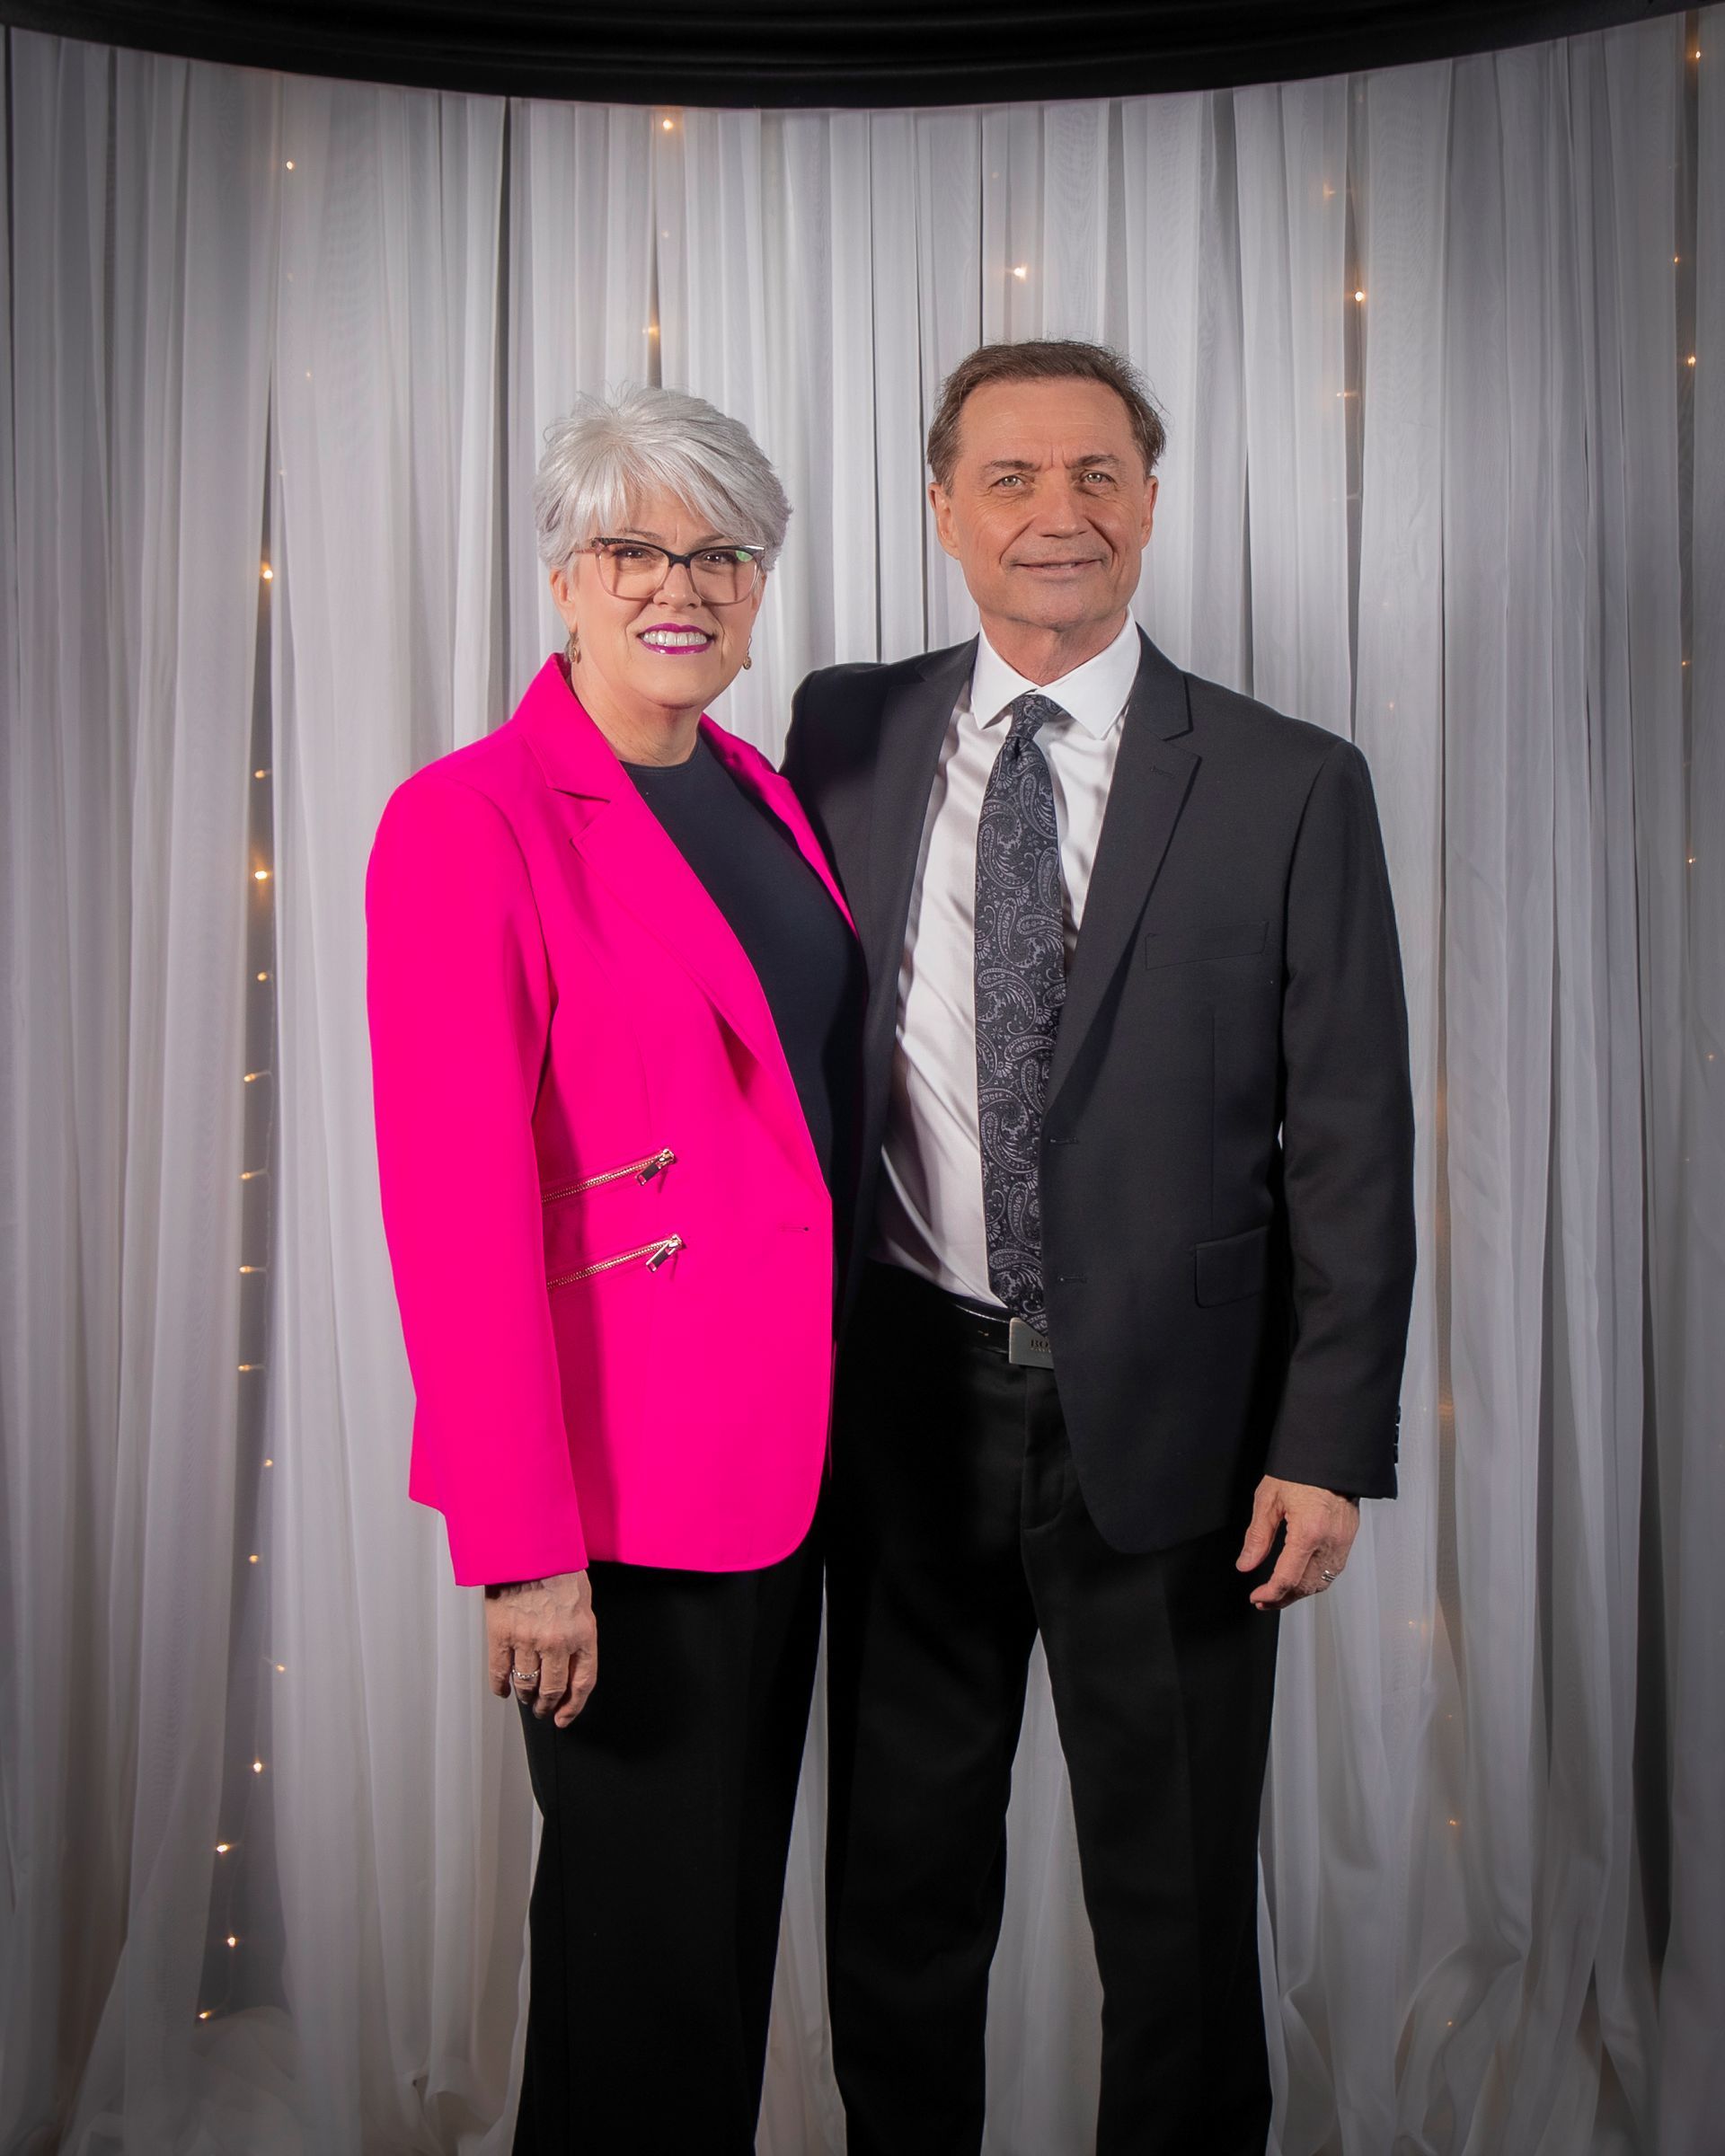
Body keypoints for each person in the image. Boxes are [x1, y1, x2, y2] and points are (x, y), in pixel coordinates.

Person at [782, 339, 1416, 2156]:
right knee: (900, 1901)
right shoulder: (842, 728)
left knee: (1181, 1910)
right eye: (1010, 479)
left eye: (1096, 476)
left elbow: (1355, 1137)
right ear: (942, 510)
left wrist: (1326, 1438)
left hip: (1190, 1429)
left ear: (1148, 500)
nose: (1055, 514)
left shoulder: (1293, 781)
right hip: (903, 1409)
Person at [365, 384, 864, 2155]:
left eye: (723, 550)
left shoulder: (762, 795)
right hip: (621, 1498)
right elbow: (456, 1206)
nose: (685, 583)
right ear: (565, 575)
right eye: (635, 546)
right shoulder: (471, 820)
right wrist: (523, 1549)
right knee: (651, 1954)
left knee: (686, 1943)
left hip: (792, 1469)